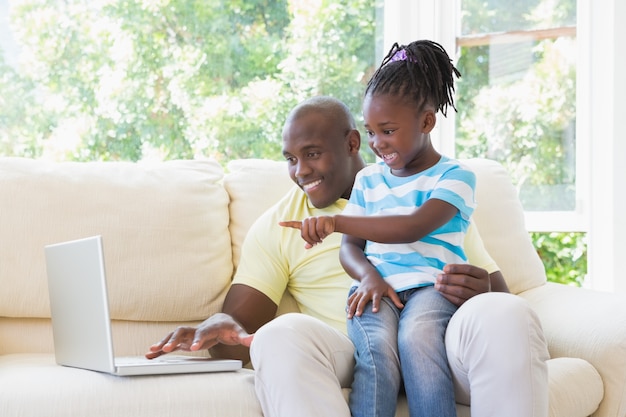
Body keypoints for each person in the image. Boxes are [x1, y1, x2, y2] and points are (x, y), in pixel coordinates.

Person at [146, 95, 549, 417]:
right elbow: (240, 328)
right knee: (280, 335)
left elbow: (501, 293)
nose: (300, 171)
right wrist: (217, 327)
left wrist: (480, 292)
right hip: (355, 353)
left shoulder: (426, 195)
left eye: (313, 153)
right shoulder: (281, 225)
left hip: (437, 349)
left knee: (504, 313)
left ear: (353, 143)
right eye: (290, 159)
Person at [279, 40, 475, 417]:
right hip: (376, 290)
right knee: (374, 350)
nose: (376, 143)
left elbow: (411, 226)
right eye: (370, 132)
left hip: (432, 288)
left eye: (387, 131)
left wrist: (334, 222)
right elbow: (350, 248)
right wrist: (368, 276)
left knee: (417, 337)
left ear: (426, 122)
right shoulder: (369, 180)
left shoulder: (455, 177)